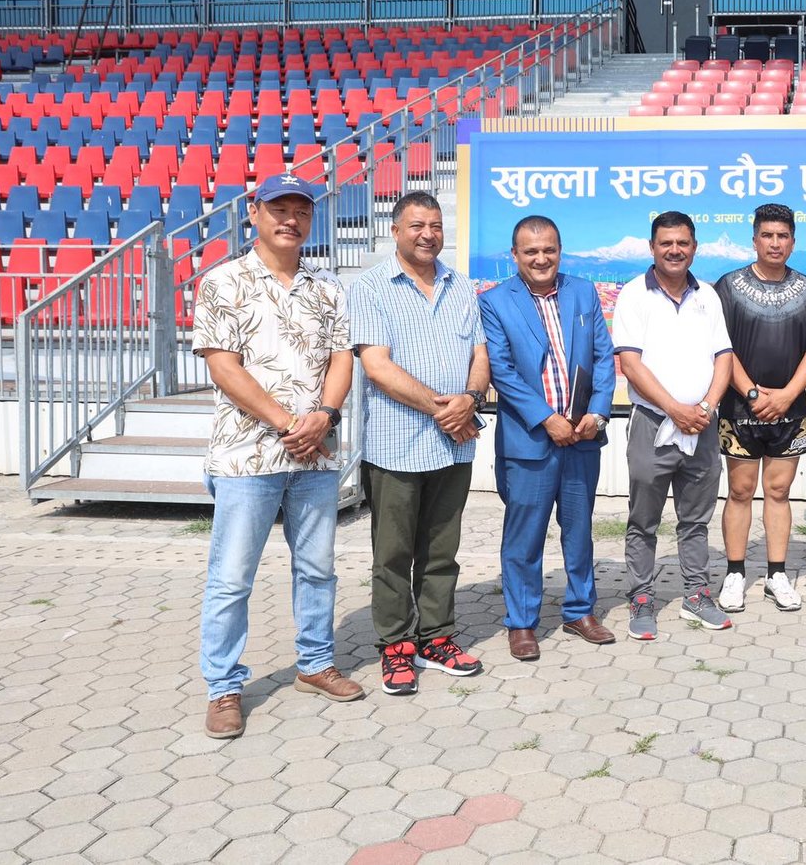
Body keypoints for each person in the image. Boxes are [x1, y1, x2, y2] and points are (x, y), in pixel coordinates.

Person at [193, 172, 361, 739]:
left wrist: (326, 416)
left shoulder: (327, 286)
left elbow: (342, 358)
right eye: (279, 209)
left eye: (302, 211)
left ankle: (316, 664)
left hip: (315, 457)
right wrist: (290, 423)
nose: (291, 219)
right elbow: (223, 366)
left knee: (317, 570)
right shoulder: (223, 282)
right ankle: (223, 687)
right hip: (247, 457)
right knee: (232, 578)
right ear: (254, 212)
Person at [348, 191, 491, 694]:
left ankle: (436, 637)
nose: (428, 235)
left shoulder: (461, 286)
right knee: (392, 555)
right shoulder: (370, 287)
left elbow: (479, 354)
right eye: (416, 226)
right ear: (395, 231)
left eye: (435, 225)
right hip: (397, 445)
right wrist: (446, 410)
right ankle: (395, 645)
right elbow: (378, 367)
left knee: (441, 550)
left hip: (453, 446)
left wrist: (471, 399)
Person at [480, 215, 617, 662]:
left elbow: (603, 357)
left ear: (560, 250)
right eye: (531, 251)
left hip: (582, 437)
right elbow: (501, 371)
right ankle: (522, 622)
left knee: (579, 531)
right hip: (530, 441)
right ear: (514, 255)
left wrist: (597, 412)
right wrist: (546, 419)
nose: (541, 259)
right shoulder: (495, 302)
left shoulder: (583, 292)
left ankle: (580, 611)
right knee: (525, 536)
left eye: (549, 250)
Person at [612, 211, 734, 640]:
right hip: (653, 423)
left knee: (696, 519)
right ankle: (641, 597)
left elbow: (724, 356)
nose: (675, 250)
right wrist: (674, 409)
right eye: (666, 243)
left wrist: (706, 406)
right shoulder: (634, 295)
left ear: (694, 247)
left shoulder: (708, 296)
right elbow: (631, 363)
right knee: (643, 519)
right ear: (652, 247)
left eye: (683, 243)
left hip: (702, 425)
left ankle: (696, 595)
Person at [715, 203, 806, 614]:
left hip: (790, 411)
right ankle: (734, 573)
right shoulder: (728, 287)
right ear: (754, 240)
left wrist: (786, 395)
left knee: (778, 492)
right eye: (767, 235)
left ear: (793, 242)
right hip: (739, 409)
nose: (775, 243)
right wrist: (753, 394)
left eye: (782, 236)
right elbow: (722, 348)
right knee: (740, 491)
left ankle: (777, 574)